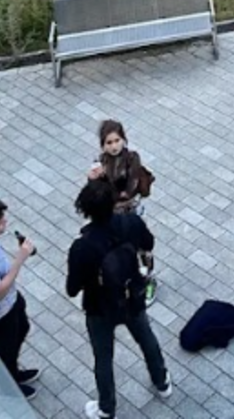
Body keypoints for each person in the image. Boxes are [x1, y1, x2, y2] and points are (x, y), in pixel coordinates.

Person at [67, 178, 172, 419]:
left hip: (99, 308)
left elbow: (72, 289)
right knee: (146, 338)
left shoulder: (82, 247)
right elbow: (149, 243)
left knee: (103, 357)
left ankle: (106, 408)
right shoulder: (131, 222)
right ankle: (162, 381)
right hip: (132, 295)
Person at [87, 120, 156, 305]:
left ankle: (149, 280)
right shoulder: (100, 162)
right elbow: (94, 195)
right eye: (109, 143)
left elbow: (129, 189)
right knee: (116, 249)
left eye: (117, 140)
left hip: (131, 211)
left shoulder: (132, 158)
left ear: (123, 139)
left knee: (141, 247)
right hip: (111, 215)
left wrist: (106, 183)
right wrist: (93, 179)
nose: (114, 146)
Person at [0, 200, 40, 398]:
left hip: (12, 301)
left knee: (23, 328)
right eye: (0, 223)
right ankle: (8, 387)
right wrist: (20, 258)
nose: (5, 223)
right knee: (5, 350)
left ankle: (13, 372)